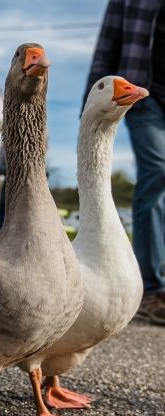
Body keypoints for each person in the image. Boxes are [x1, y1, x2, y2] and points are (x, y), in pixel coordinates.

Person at [83, 0, 165, 325]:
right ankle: (153, 290)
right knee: (157, 170)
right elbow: (107, 43)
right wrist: (88, 109)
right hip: (145, 95)